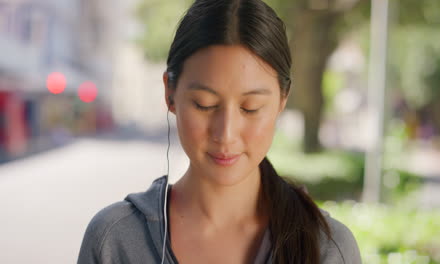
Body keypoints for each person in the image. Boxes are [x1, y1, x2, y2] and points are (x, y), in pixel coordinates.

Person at [77, 0, 362, 263]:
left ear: (282, 100)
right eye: (205, 105)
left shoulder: (326, 248)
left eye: (250, 108)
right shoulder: (114, 240)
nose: (225, 134)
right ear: (170, 93)